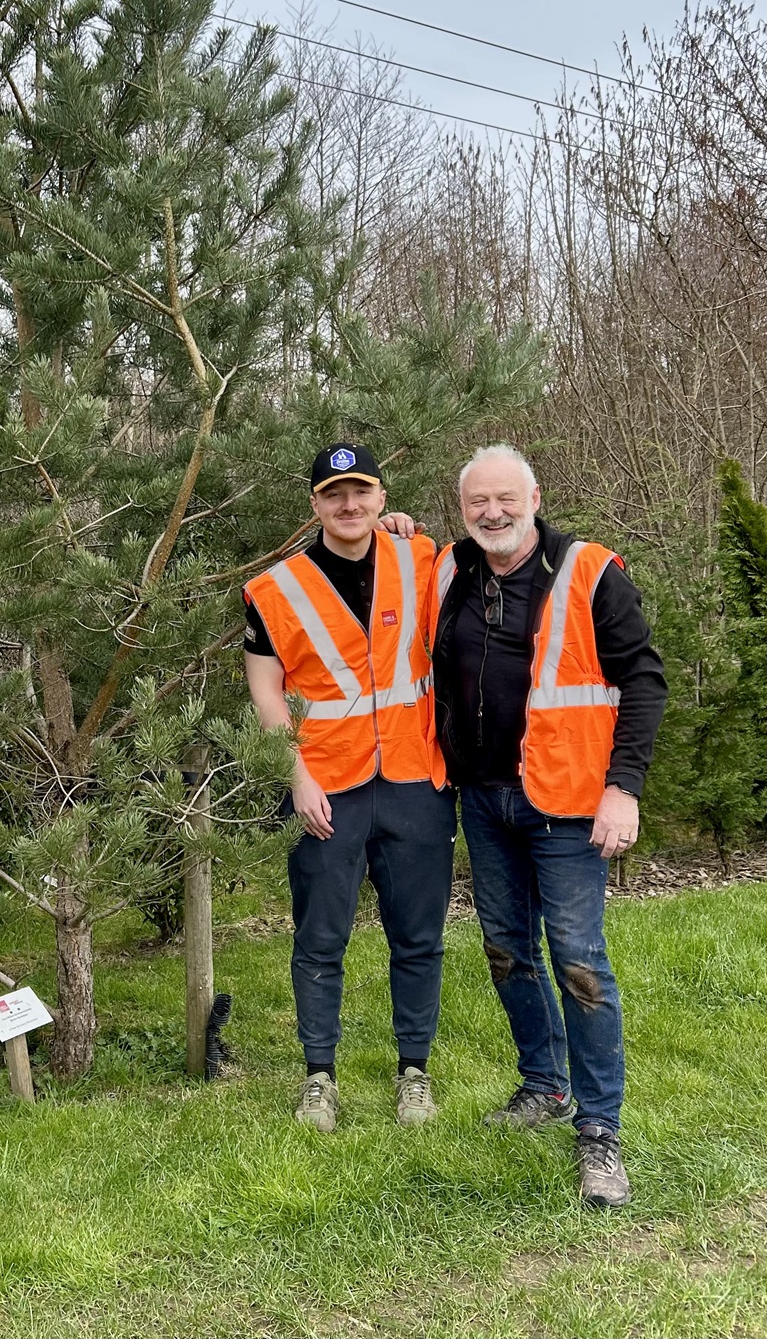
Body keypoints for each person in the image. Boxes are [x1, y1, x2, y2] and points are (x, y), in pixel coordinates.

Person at [430, 444, 667, 1209]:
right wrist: (397, 521)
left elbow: (644, 681)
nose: (492, 513)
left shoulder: (591, 571)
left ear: (534, 495)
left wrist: (623, 789)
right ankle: (545, 1084)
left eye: (505, 498)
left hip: (568, 804)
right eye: (476, 503)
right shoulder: (449, 571)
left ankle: (600, 1132)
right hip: (485, 800)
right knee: (505, 950)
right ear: (461, 509)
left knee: (578, 959)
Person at [244, 444, 455, 1133]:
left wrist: (409, 527)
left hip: (413, 779)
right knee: (320, 936)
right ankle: (319, 1076)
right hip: (324, 786)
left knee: (418, 935)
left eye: (361, 491)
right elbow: (267, 692)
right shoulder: (274, 590)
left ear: (380, 495)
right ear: (315, 504)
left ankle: (413, 1073)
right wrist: (295, 774)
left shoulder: (420, 558)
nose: (349, 504)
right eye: (334, 493)